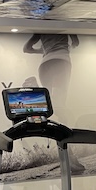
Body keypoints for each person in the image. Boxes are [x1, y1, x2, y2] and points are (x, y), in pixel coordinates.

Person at [22, 34, 84, 172]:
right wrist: (68, 45)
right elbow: (76, 42)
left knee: (51, 107)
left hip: (45, 65)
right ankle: (69, 156)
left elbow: (26, 48)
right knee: (61, 109)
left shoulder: (42, 28)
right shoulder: (65, 24)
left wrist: (44, 50)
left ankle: (38, 91)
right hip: (61, 62)